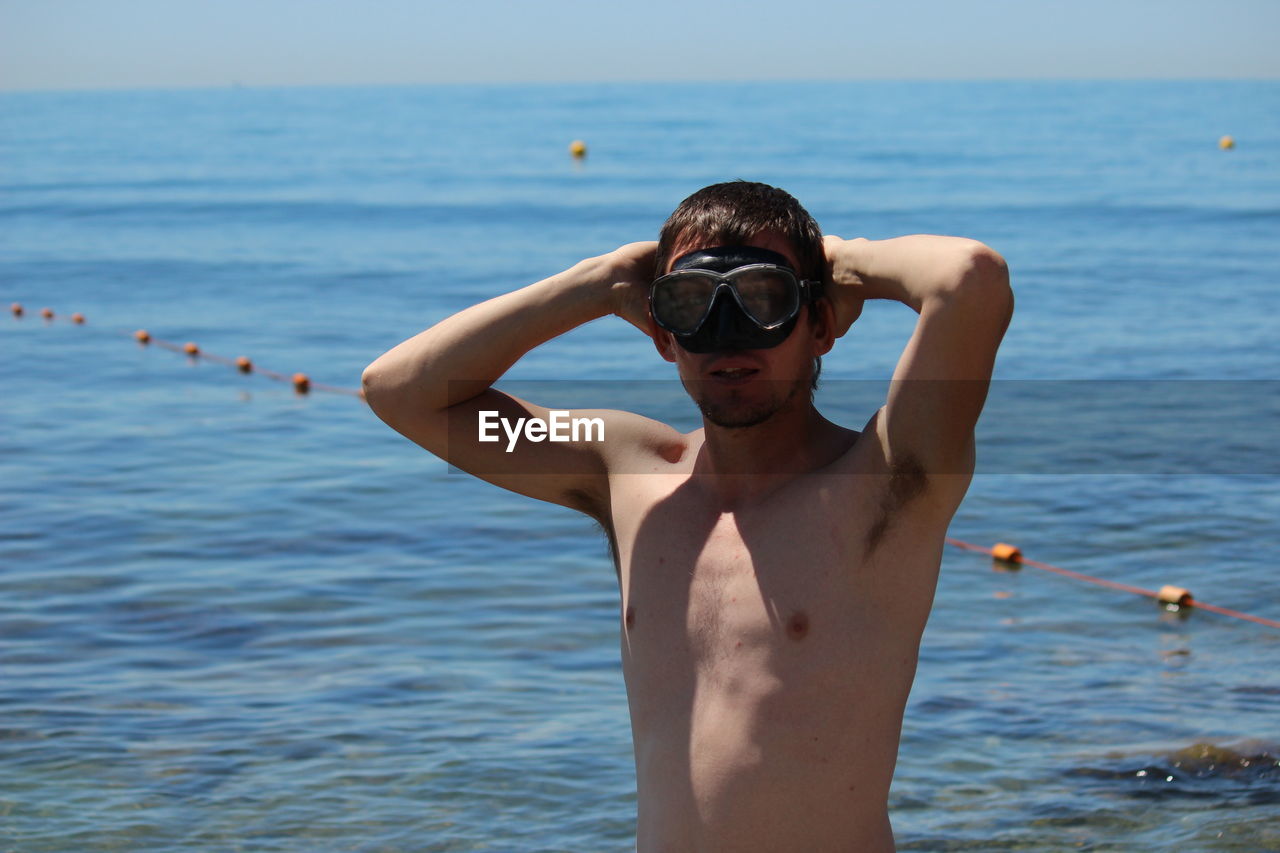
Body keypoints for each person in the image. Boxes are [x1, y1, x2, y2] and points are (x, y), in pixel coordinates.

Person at [362, 181, 1013, 851]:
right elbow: (399, 391)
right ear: (662, 335)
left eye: (764, 299)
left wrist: (842, 262)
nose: (728, 339)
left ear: (818, 325)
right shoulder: (624, 472)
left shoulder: (886, 484)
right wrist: (600, 280)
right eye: (693, 304)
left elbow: (971, 277)